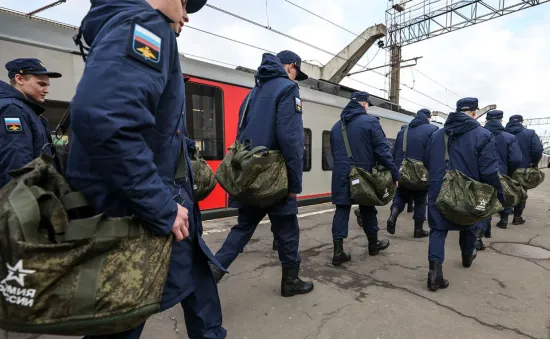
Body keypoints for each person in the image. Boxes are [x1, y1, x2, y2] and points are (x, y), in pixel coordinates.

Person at [66, 0, 228, 338]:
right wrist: (162, 206)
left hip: (150, 207)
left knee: (197, 282)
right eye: (184, 3)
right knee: (122, 320)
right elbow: (106, 118)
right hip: (138, 218)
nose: (186, 16)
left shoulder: (117, 26)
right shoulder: (147, 26)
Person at [209, 50, 314, 298]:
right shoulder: (288, 90)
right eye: (297, 72)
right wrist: (294, 184)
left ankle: (211, 272)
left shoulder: (251, 94)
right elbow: (292, 140)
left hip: (251, 176)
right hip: (275, 178)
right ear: (290, 67)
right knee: (288, 229)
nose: (296, 77)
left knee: (242, 228)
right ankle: (291, 281)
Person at [424, 98, 503, 291]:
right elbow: (489, 170)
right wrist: (497, 192)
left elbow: (426, 160)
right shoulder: (484, 135)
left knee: (437, 230)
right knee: (468, 223)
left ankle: (434, 274)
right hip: (468, 189)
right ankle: (467, 256)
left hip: (438, 187)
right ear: (475, 112)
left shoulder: (437, 134)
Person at [329, 92, 399, 266]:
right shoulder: (370, 122)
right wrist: (394, 174)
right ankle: (373, 244)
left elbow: (334, 153)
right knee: (367, 209)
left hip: (341, 174)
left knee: (342, 210)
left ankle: (338, 252)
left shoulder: (336, 127)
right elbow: (383, 151)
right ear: (365, 104)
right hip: (363, 174)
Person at [0, 58, 62, 188]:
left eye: (47, 85)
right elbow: (16, 159)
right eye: (41, 84)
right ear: (19, 79)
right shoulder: (13, 110)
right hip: (25, 197)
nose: (46, 90)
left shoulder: (27, 110)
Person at [386, 108, 438, 238]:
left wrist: (394, 172)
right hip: (421, 174)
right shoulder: (433, 130)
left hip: (402, 171)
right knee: (420, 199)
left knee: (401, 195)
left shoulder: (403, 130)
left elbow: (393, 153)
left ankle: (393, 215)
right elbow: (432, 154)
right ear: (428, 118)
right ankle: (418, 230)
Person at [475, 110, 521, 250]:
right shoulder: (509, 137)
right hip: (499, 174)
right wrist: (508, 172)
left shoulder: (478, 134)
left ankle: (478, 233)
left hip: (478, 174)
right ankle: (482, 232)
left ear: (486, 120)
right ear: (501, 121)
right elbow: (516, 159)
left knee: (482, 203)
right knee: (494, 201)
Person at [505, 114, 544, 225]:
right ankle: (517, 217)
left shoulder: (503, 132)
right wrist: (533, 164)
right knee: (521, 192)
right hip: (523, 169)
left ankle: (504, 217)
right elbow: (537, 150)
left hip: (506, 167)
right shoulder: (530, 133)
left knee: (505, 189)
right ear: (522, 122)